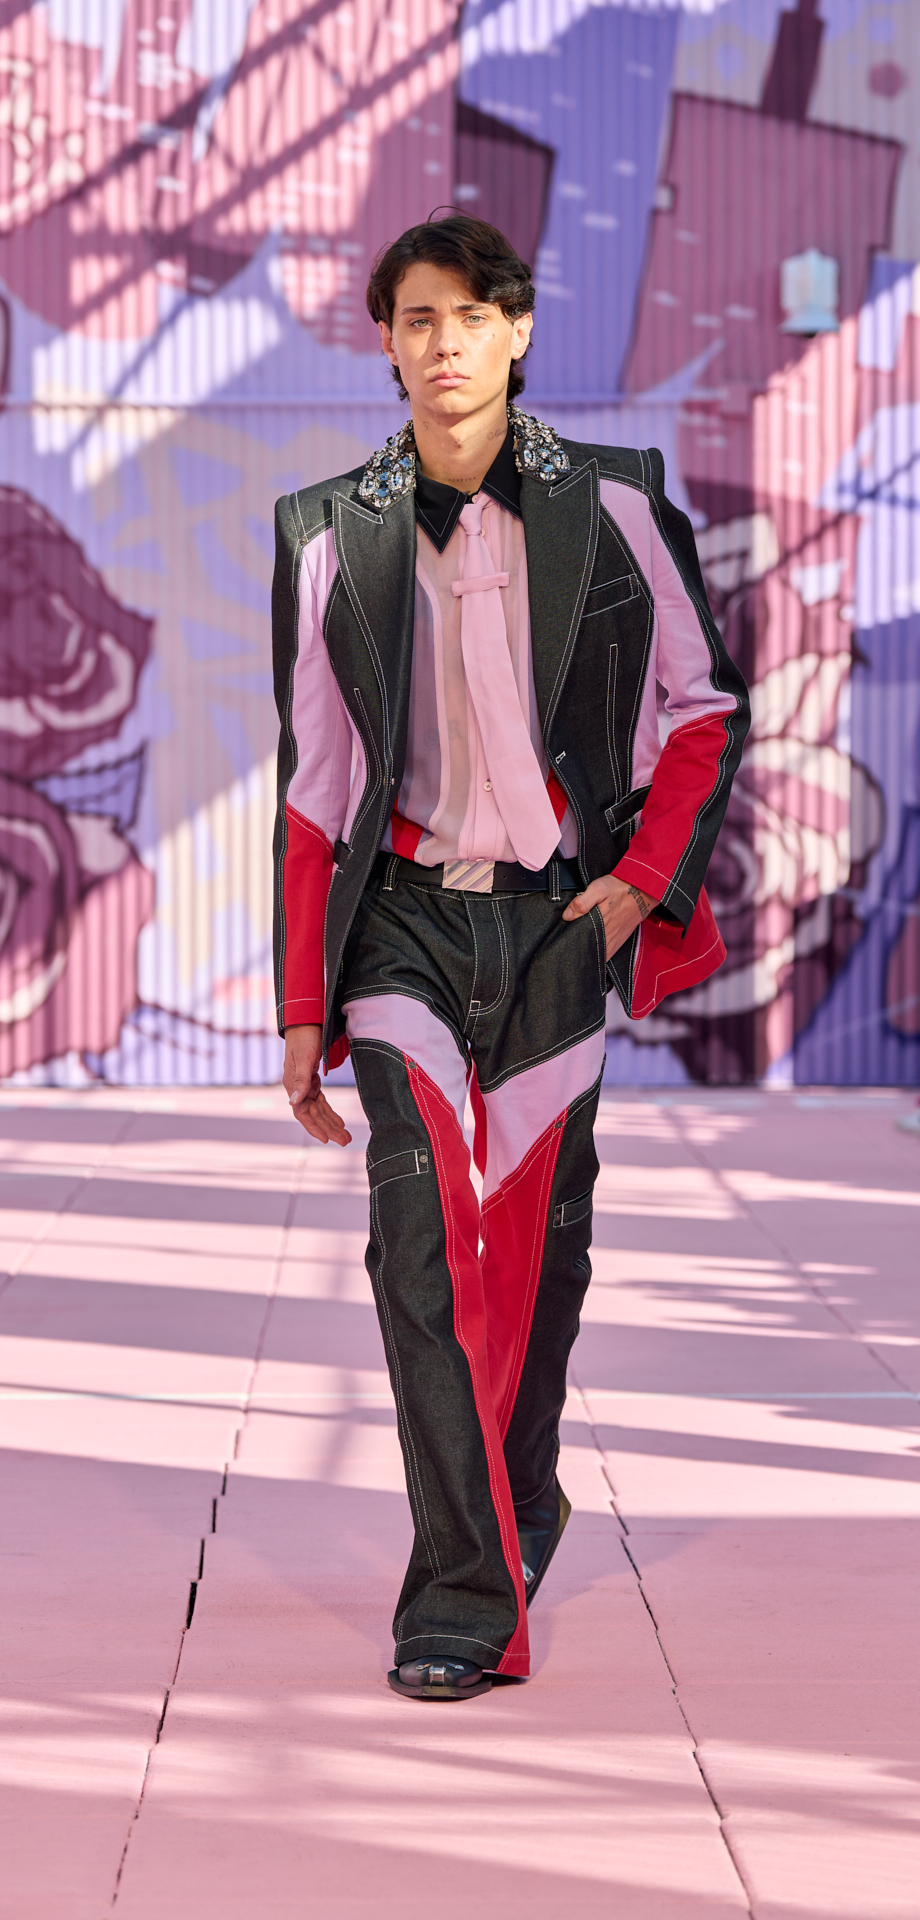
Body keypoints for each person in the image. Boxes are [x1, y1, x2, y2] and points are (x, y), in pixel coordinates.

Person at [272, 214, 749, 1702]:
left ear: (518, 332)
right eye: (418, 317)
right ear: (387, 341)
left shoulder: (614, 507)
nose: (444, 342)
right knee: (418, 1244)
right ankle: (462, 1597)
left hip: (554, 924)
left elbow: (703, 709)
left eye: (472, 315)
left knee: (539, 1255)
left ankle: (518, 1494)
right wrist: (303, 1008)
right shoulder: (326, 533)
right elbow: (315, 787)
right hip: (401, 927)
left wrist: (636, 891)